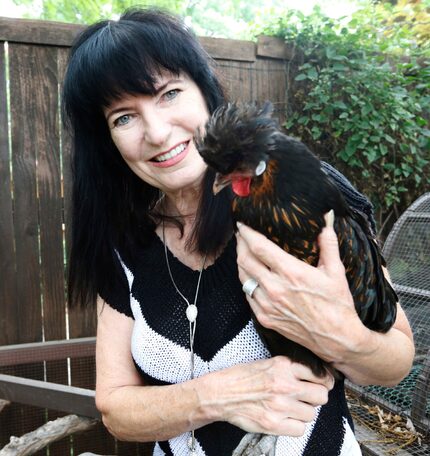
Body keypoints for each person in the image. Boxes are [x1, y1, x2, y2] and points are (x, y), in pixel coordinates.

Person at [62, 7, 415, 456]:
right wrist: (219, 394)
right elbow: (114, 409)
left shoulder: (303, 196)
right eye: (123, 117)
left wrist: (344, 336)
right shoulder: (124, 244)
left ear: (205, 93)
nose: (155, 131)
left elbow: (397, 359)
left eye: (169, 94)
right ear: (107, 140)